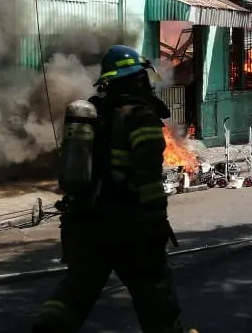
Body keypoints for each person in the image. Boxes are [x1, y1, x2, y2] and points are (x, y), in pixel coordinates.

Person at [33, 45, 191, 333]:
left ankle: (47, 328)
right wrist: (156, 224)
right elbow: (148, 179)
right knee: (156, 296)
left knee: (75, 291)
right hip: (128, 226)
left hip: (86, 224)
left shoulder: (96, 114)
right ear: (137, 80)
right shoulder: (140, 117)